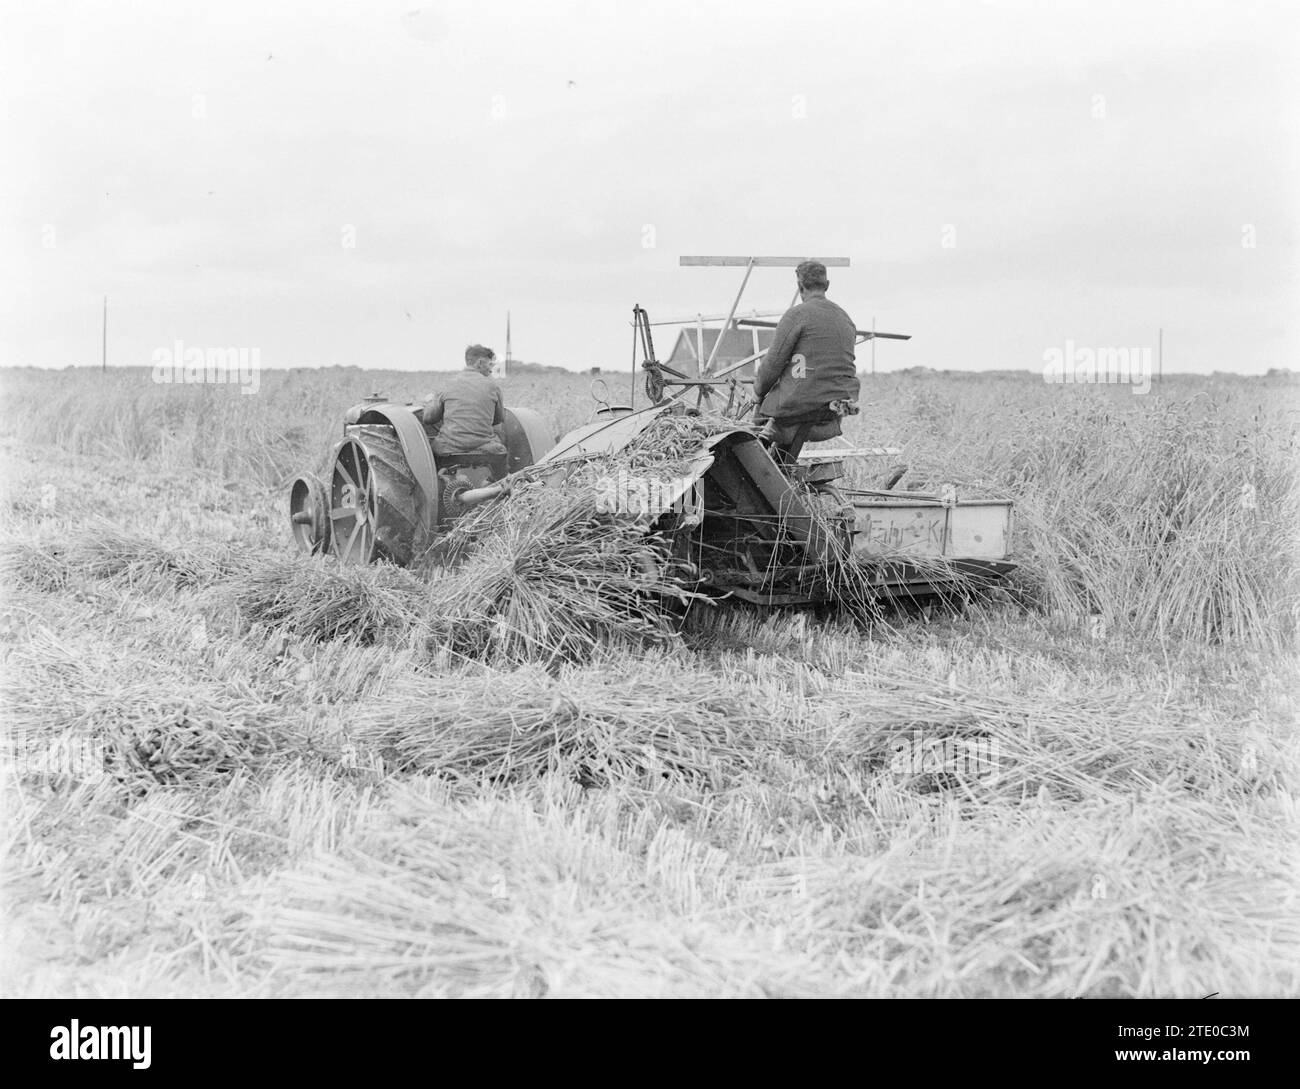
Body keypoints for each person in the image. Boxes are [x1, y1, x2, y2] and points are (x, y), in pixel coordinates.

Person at [752, 260, 860, 459]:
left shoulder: (796, 315)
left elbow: (772, 366)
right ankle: (779, 471)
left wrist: (758, 393)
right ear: (827, 285)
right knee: (782, 445)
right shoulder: (845, 319)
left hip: (801, 405)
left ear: (800, 286)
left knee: (757, 425)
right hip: (836, 407)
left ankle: (754, 463)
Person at [421, 344, 508, 459]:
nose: (491, 370)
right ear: (480, 363)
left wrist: (430, 403)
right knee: (500, 448)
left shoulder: (448, 384)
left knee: (430, 450)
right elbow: (498, 419)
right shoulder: (493, 387)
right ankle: (504, 477)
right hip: (485, 446)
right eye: (489, 364)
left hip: (449, 447)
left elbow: (428, 419)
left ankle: (439, 476)